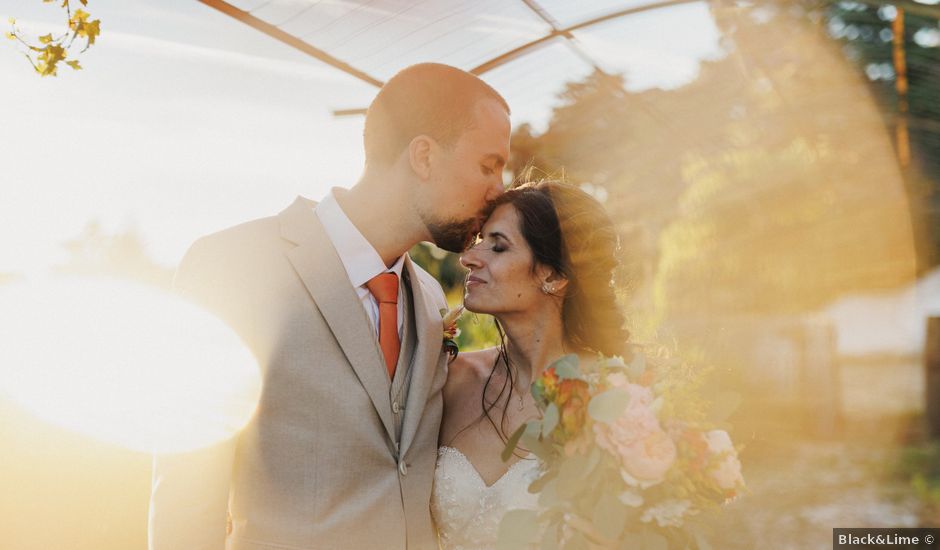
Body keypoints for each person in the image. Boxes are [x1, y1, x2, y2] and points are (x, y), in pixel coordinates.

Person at [148, 63, 510, 550]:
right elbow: (186, 495)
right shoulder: (234, 266)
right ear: (423, 156)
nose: (499, 189)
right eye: (489, 165)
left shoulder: (426, 295)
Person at [432, 180, 627, 549]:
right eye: (480, 242)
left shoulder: (613, 399)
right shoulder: (451, 379)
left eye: (499, 246)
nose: (469, 257)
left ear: (553, 276)